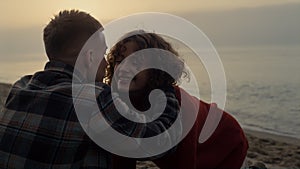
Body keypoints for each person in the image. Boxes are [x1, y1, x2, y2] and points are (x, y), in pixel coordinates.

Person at [0, 10, 181, 169]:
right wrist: (165, 86)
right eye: (103, 53)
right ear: (90, 56)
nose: (106, 62)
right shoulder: (94, 99)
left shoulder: (21, 87)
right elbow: (160, 143)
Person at [105, 30, 249, 169]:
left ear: (156, 69)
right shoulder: (120, 101)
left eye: (135, 63)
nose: (124, 68)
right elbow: (121, 150)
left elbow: (184, 159)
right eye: (119, 60)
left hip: (227, 143)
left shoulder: (177, 104)